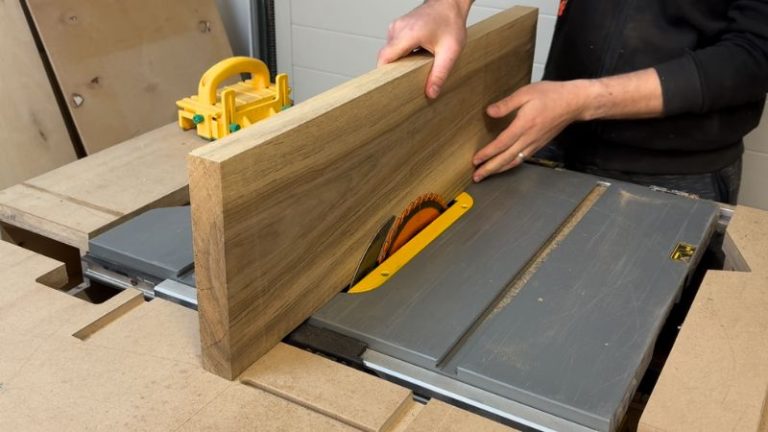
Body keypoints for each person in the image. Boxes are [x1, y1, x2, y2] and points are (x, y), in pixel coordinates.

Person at [377, 0, 768, 204]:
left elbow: (753, 59)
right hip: (555, 135)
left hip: (676, 171)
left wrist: (582, 99)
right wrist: (447, 5)